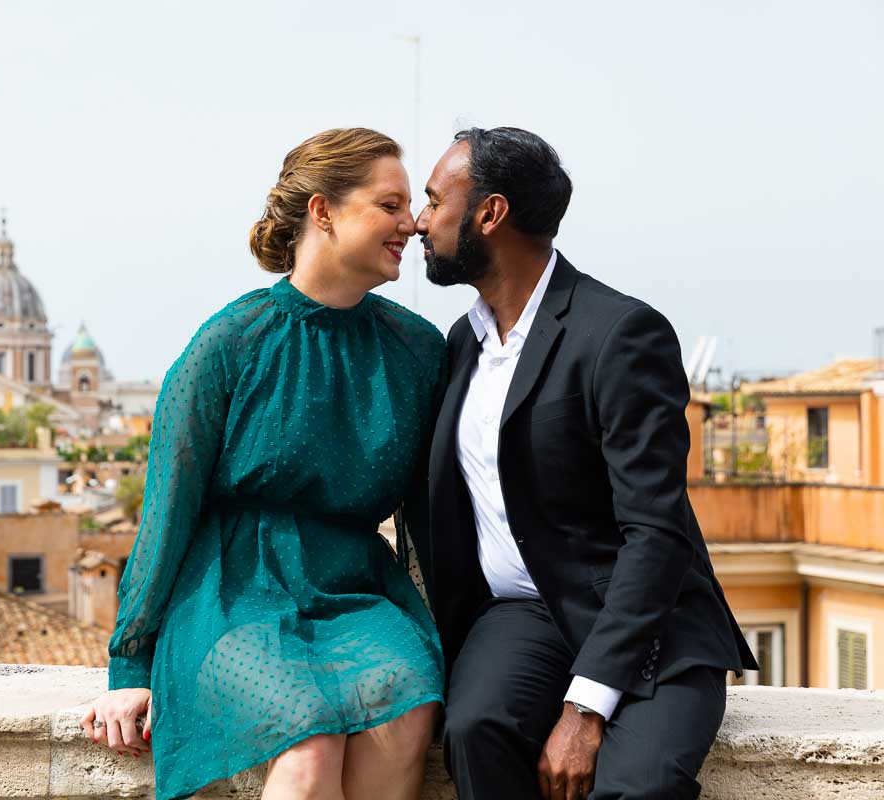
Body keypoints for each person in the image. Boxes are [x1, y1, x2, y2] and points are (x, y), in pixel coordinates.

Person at [83, 127, 446, 800]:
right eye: (390, 204)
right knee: (306, 747)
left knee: (407, 713)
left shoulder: (419, 351)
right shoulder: (228, 343)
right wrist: (127, 664)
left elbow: (436, 513)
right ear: (323, 211)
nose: (413, 223)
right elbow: (169, 507)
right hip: (231, 588)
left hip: (355, 588)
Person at [406, 127, 758, 800]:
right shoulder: (460, 344)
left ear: (489, 213)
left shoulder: (620, 333)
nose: (421, 221)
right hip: (521, 619)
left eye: (432, 200)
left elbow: (657, 531)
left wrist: (584, 708)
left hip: (648, 622)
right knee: (476, 728)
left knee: (637, 786)